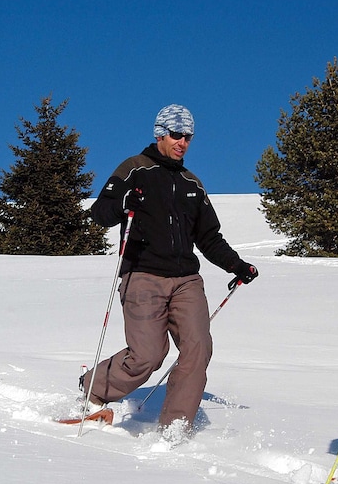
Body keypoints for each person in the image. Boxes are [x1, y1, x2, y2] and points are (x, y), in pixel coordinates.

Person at [80, 104, 259, 439]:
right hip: (143, 275)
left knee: (198, 347)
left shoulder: (191, 183)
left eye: (188, 136)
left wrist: (236, 265)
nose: (183, 142)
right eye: (176, 135)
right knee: (148, 356)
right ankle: (93, 386)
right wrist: (124, 203)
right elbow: (101, 212)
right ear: (160, 133)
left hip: (186, 280)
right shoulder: (134, 169)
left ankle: (175, 426)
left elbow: (208, 236)